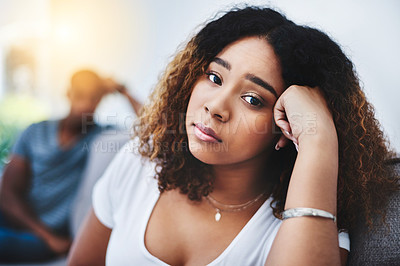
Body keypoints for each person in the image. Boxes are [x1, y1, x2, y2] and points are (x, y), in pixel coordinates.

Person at [68, 7, 399, 266]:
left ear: (287, 125)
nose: (215, 107)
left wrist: (318, 139)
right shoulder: (139, 161)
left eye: (253, 99)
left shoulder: (313, 223)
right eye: (214, 77)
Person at [0, 69, 141, 262]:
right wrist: (46, 236)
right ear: (68, 94)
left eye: (93, 98)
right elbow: (7, 193)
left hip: (44, 236)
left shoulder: (99, 137)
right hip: (19, 222)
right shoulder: (35, 131)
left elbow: (151, 127)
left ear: (100, 100)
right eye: (80, 96)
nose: (85, 105)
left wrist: (123, 91)